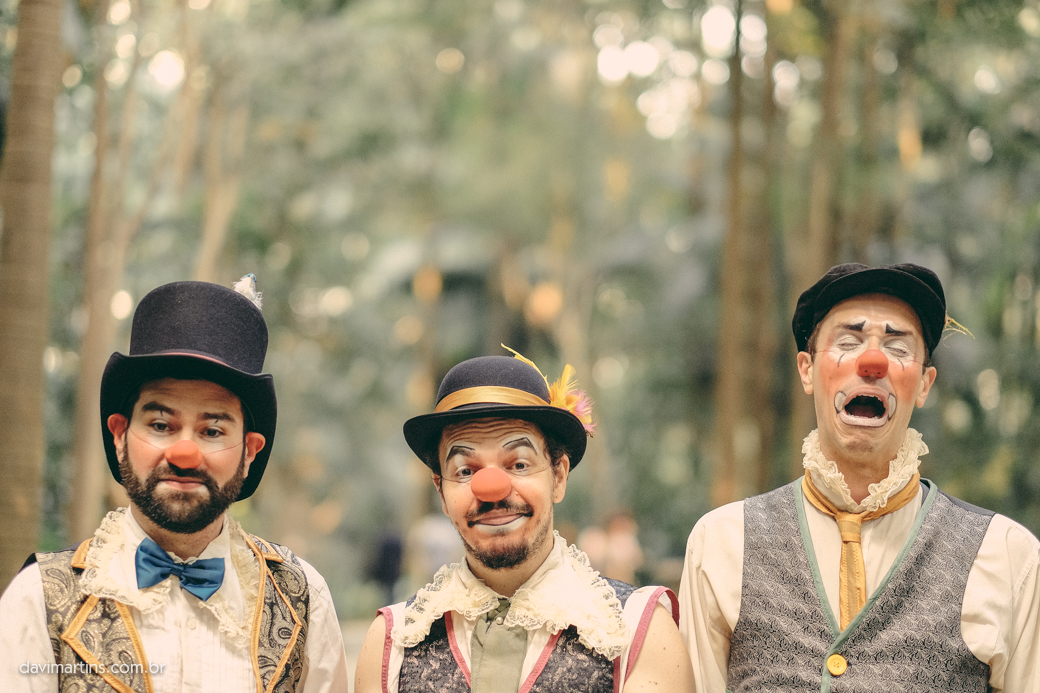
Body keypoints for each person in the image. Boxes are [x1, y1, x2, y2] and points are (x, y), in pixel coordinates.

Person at [679, 263, 1040, 692]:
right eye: (848, 342)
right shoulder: (721, 543)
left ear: (924, 385)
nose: (873, 363)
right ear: (807, 370)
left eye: (898, 347)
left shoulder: (1008, 555)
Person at [0, 278, 350, 693]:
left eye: (213, 430)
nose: (185, 455)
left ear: (250, 451)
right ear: (119, 435)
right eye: (161, 425)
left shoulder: (303, 598)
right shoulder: (38, 600)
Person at [355, 353, 694, 693]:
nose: (491, 490)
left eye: (518, 464)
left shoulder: (639, 630)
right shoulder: (392, 640)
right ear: (441, 492)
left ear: (558, 477)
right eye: (465, 471)